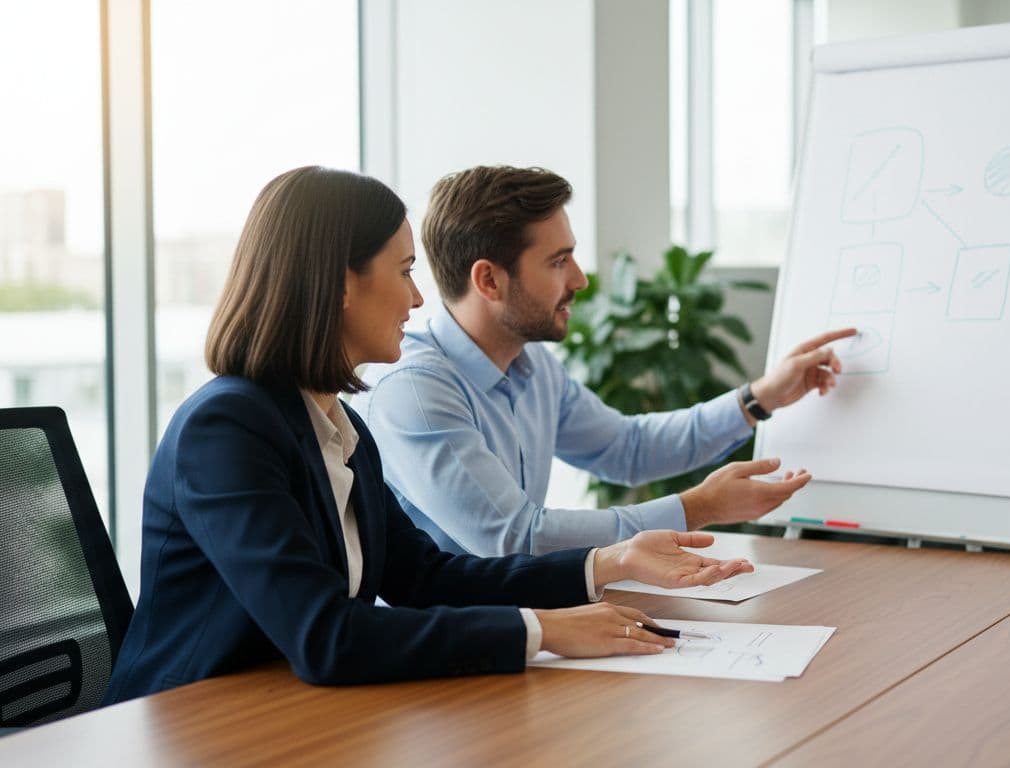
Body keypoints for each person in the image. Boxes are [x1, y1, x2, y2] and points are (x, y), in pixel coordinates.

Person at [103, 166, 753, 704]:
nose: (417, 301)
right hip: (189, 725)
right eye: (404, 270)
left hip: (294, 713)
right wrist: (543, 630)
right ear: (338, 284)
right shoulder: (226, 430)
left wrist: (606, 563)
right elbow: (326, 636)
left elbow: (426, 577)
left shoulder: (341, 426)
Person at [352, 165, 855, 557]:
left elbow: (626, 448)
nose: (580, 280)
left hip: (517, 627)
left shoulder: (532, 368)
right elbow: (515, 537)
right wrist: (697, 507)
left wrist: (759, 398)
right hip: (442, 655)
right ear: (489, 280)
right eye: (557, 261)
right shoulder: (415, 390)